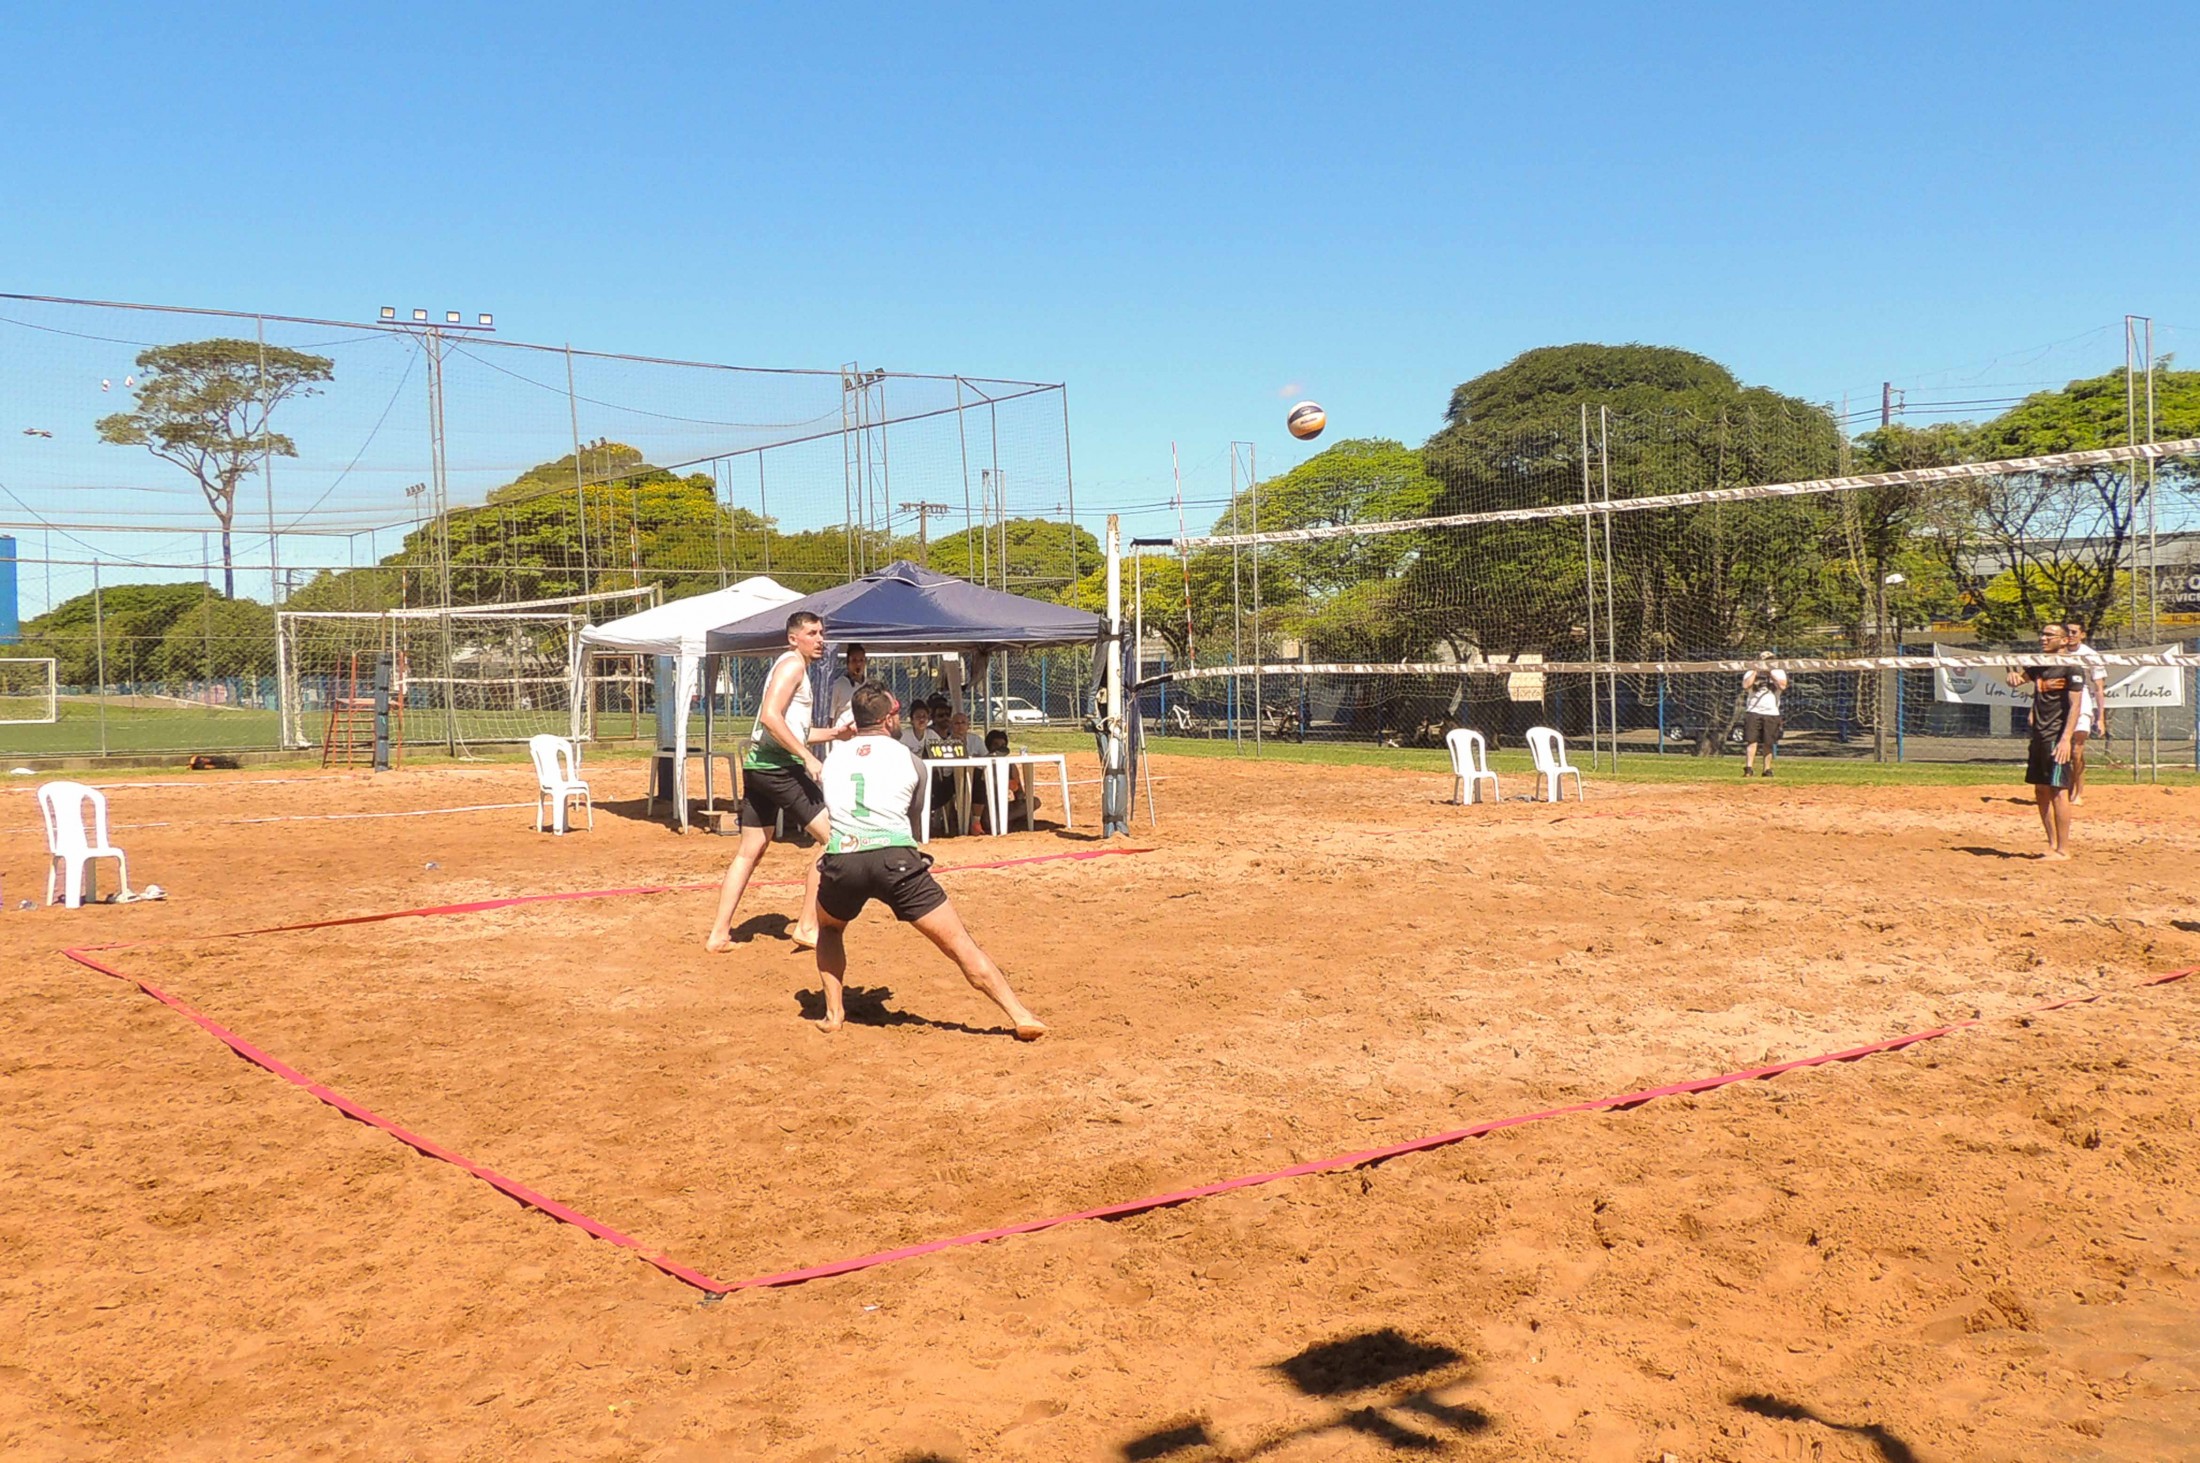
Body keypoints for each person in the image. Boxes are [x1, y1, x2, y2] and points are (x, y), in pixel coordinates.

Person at [811, 683, 1046, 1040]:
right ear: (888, 718)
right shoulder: (910, 759)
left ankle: (833, 1013)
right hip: (895, 858)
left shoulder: (833, 758)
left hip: (844, 857)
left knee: (829, 929)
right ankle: (1019, 1014)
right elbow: (916, 816)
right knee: (959, 943)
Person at [704, 611, 850, 953]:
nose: (820, 639)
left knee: (751, 850)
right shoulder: (792, 666)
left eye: (821, 633)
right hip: (780, 769)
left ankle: (719, 935)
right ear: (793, 638)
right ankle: (807, 926)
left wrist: (835, 734)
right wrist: (807, 757)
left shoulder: (793, 667)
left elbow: (789, 729)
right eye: (812, 633)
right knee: (834, 840)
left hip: (760, 767)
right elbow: (771, 718)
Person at [2018, 623, 2082, 860]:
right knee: (2040, 789)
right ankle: (2052, 844)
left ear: (2064, 641)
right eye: (2042, 634)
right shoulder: (2039, 664)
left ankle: (2064, 850)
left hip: (2056, 736)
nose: (2043, 638)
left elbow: (2075, 705)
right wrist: (2013, 677)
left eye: (2049, 635)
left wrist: (2066, 739)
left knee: (2058, 790)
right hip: (2039, 735)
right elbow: (2018, 680)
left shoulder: (2071, 667)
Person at [2061, 622, 2109, 805]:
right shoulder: (2057, 652)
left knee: (2076, 751)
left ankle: (2077, 792)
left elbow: (2099, 688)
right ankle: (2061, 789)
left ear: (2082, 634)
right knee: (2060, 749)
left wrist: (2100, 718)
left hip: (2082, 701)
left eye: (2074, 632)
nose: (2070, 635)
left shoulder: (2090, 655)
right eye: (2067, 631)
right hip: (2059, 701)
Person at [1740, 653, 1788, 777]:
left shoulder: (1779, 672)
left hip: (1771, 712)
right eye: (1766, 661)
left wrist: (1770, 674)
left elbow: (1782, 686)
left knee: (1768, 742)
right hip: (1753, 711)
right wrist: (1756, 671)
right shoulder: (1751, 672)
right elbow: (1746, 685)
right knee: (1752, 741)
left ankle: (1767, 769)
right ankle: (1749, 768)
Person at [828, 644, 869, 724]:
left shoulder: (868, 685)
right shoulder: (839, 684)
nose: (858, 664)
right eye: (854, 660)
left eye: (861, 660)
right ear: (847, 663)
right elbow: (830, 715)